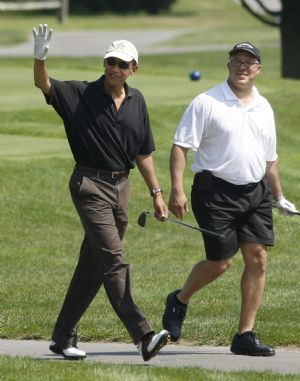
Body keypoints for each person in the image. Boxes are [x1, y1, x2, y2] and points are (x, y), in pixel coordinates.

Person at [32, 24, 170, 361]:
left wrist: (156, 192)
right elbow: (44, 84)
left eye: (123, 64)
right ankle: (143, 335)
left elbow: (143, 152)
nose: (115, 69)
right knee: (113, 259)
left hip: (122, 187)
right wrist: (40, 58)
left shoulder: (137, 101)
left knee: (93, 266)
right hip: (90, 186)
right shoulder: (80, 94)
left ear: (133, 69)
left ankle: (62, 336)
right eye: (111, 61)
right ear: (104, 63)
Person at [162, 42, 299, 356]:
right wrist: (177, 189)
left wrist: (279, 196)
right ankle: (179, 299)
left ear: (258, 70)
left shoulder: (264, 107)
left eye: (249, 63)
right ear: (228, 65)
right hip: (215, 193)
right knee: (220, 262)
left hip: (256, 193)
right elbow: (181, 147)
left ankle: (244, 335)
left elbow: (270, 159)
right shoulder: (207, 101)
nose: (242, 67)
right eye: (237, 61)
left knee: (258, 259)